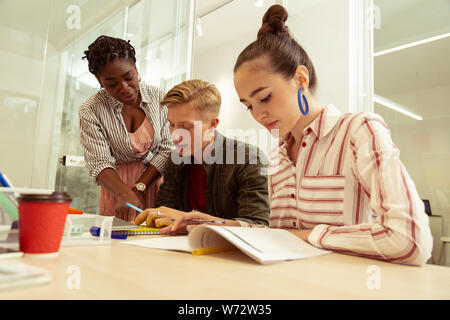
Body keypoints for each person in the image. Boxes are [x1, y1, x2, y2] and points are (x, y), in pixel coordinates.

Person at [232, 5, 433, 266]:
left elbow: (410, 240)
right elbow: (280, 239)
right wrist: (212, 225)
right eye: (248, 105)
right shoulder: (278, 159)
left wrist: (310, 235)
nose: (257, 114)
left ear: (300, 79)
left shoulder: (359, 131)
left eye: (264, 97)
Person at [134, 79, 270, 231]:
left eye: (187, 127)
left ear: (213, 124)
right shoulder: (175, 159)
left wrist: (193, 221)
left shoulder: (248, 158)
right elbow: (163, 213)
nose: (175, 136)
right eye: (171, 124)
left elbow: (258, 225)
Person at [79, 35, 174, 222]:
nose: (124, 88)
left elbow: (166, 150)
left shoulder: (160, 98)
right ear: (99, 81)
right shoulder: (91, 110)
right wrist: (124, 193)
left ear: (136, 68)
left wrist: (139, 187)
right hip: (116, 191)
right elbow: (99, 162)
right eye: (111, 84)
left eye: (129, 77)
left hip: (156, 184)